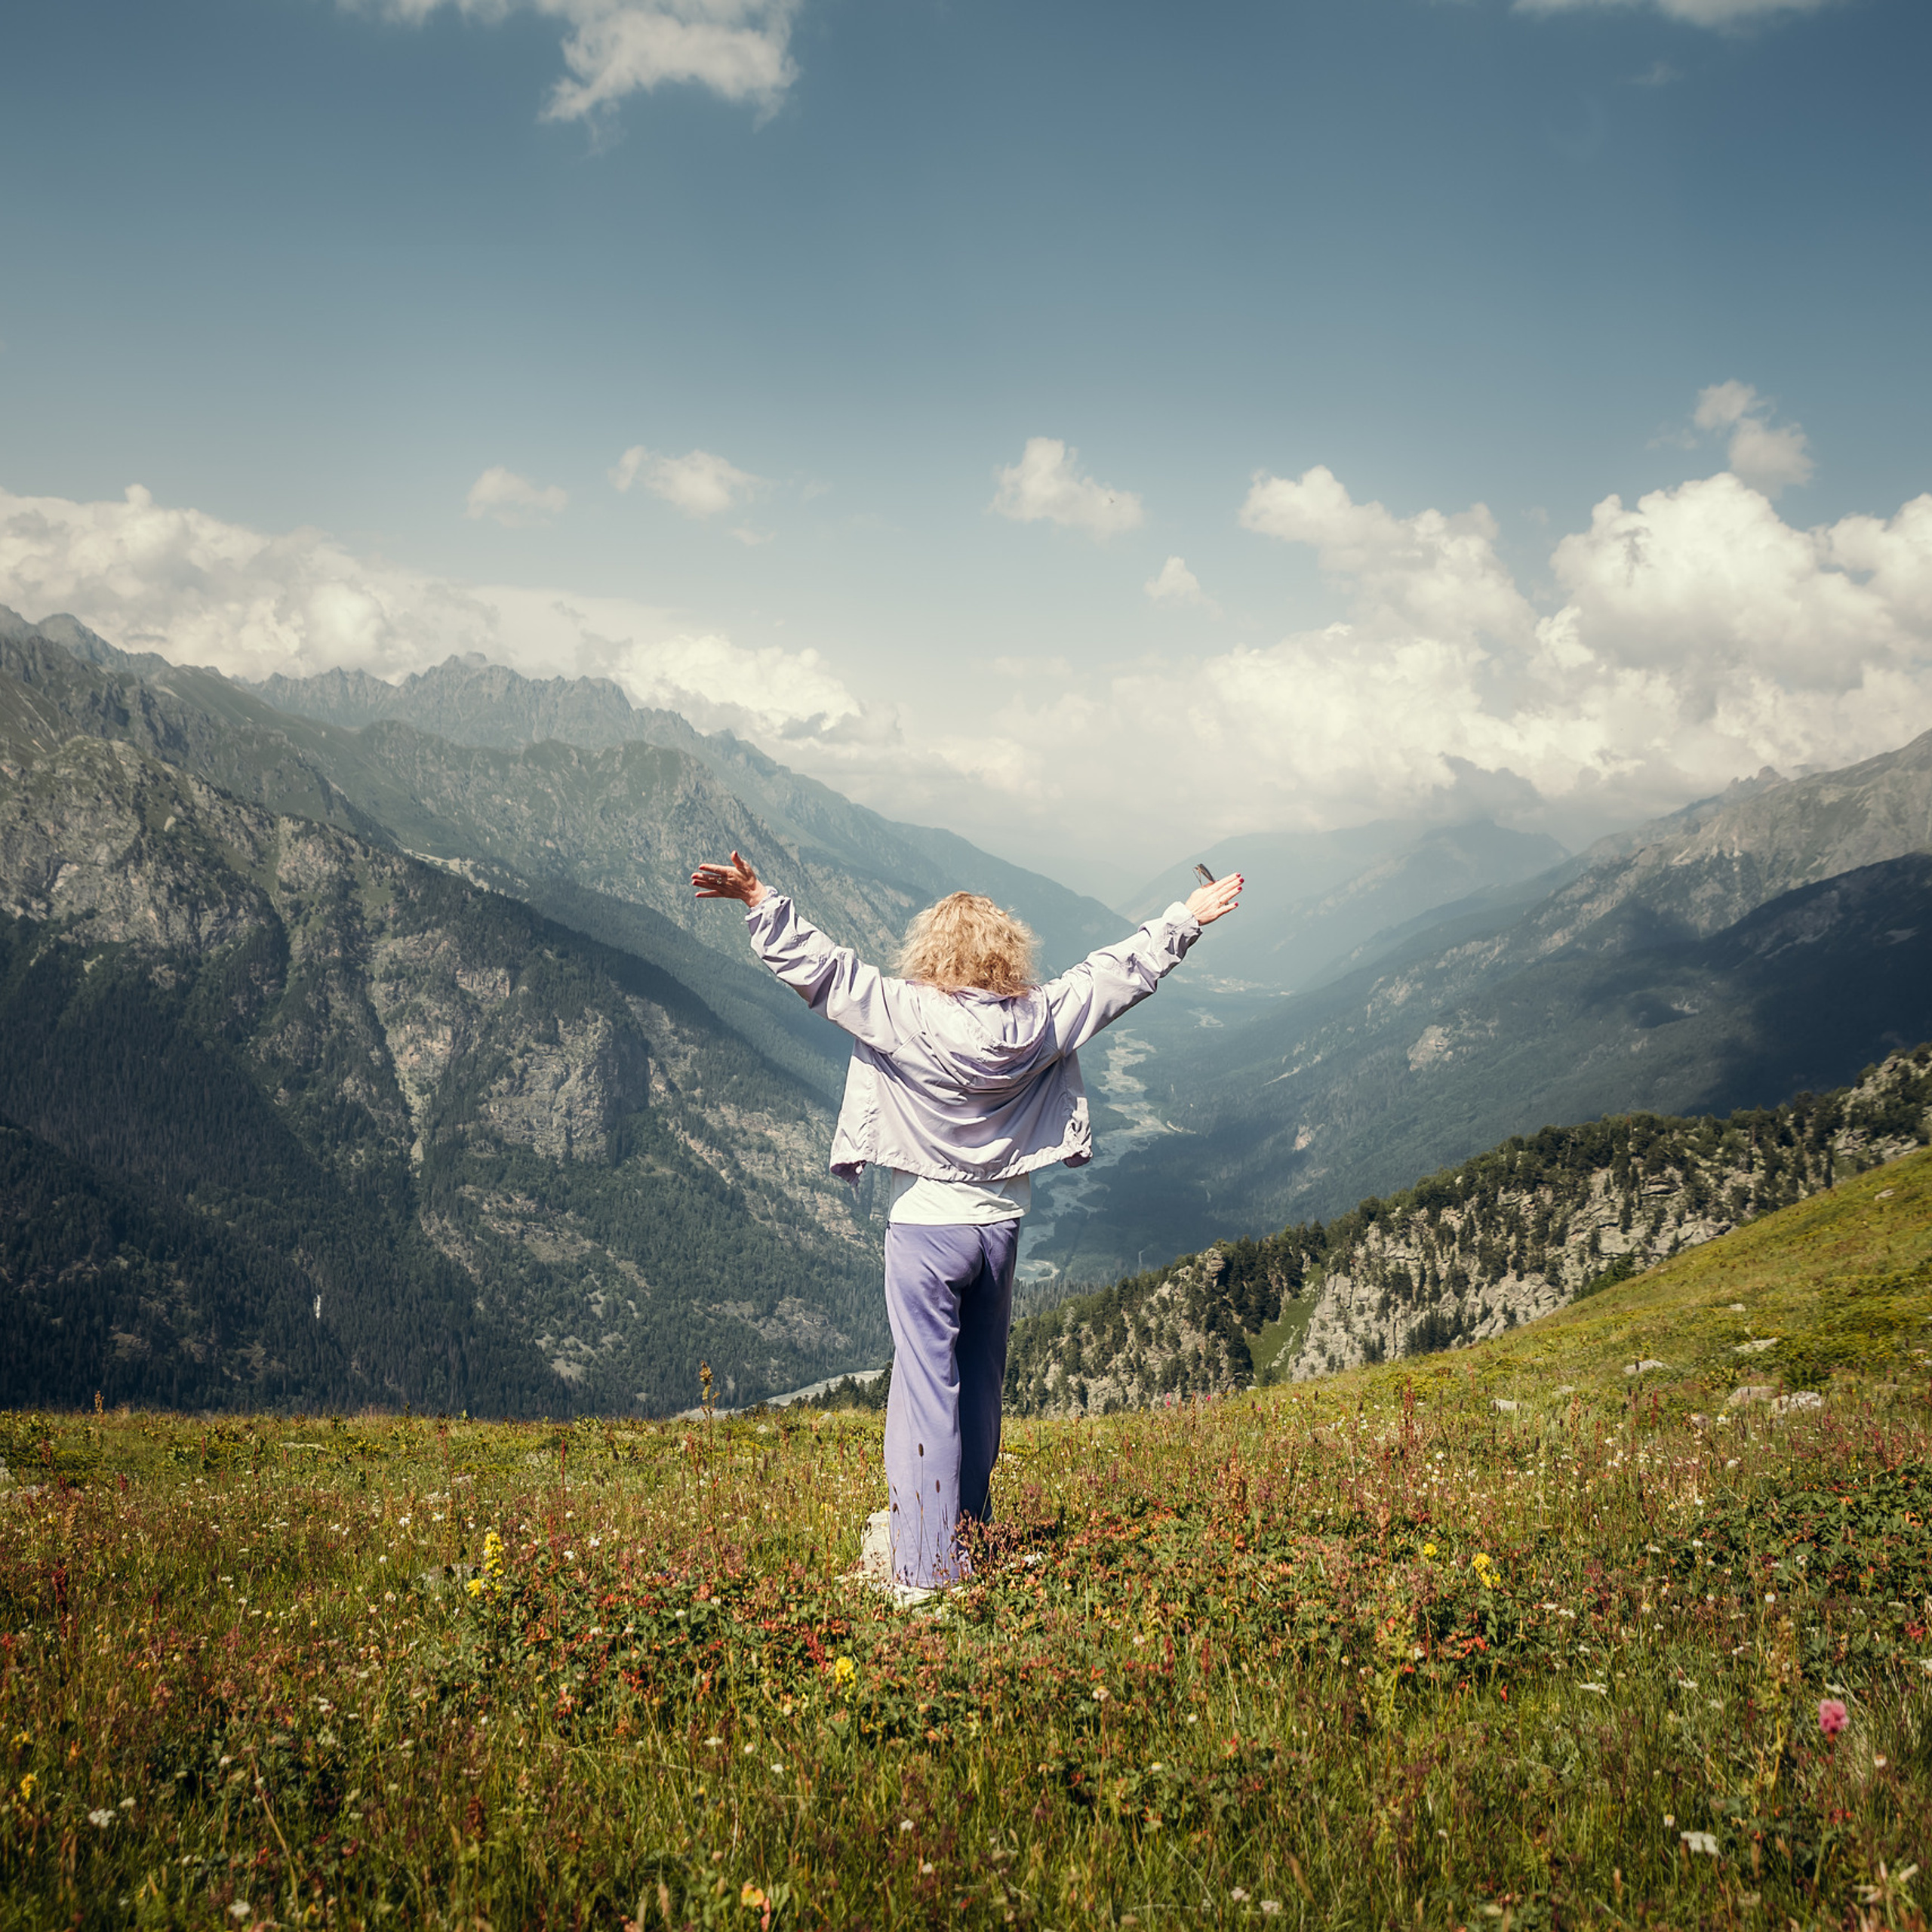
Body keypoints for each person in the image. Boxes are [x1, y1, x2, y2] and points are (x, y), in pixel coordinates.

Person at [692, 850, 1244, 1598]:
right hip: (1000, 1228)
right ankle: (971, 1535)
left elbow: (821, 970)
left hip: (924, 1228)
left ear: (930, 951)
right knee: (979, 1388)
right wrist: (1187, 916)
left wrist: (759, 897)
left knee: (926, 1394)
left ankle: (924, 1570)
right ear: (1006, 953)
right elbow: (1118, 974)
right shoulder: (1040, 1018)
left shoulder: (901, 1010)